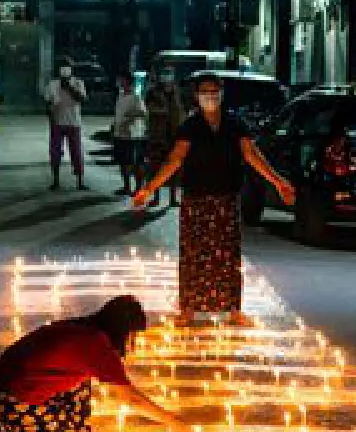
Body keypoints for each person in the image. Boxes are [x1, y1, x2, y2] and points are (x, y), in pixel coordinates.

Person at [133, 72, 295, 323]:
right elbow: (174, 161)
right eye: (205, 92)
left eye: (214, 91)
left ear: (222, 94)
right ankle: (188, 308)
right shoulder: (190, 127)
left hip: (226, 198)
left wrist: (278, 181)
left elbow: (253, 155)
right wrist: (150, 188)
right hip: (196, 200)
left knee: (228, 255)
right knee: (194, 255)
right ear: (197, 97)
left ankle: (233, 309)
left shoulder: (235, 124)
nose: (210, 97)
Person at [0, 296, 182, 432]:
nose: (133, 341)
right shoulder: (97, 346)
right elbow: (131, 398)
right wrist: (173, 421)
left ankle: (37, 424)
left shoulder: (87, 328)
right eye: (133, 335)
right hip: (14, 396)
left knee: (81, 394)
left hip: (7, 381)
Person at [42, 57, 88, 189]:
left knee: (76, 152)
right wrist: (51, 115)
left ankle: (80, 181)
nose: (65, 69)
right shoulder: (52, 85)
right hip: (57, 123)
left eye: (67, 67)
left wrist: (69, 88)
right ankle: (56, 181)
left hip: (74, 123)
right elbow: (47, 103)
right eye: (62, 67)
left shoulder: (78, 83)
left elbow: (82, 99)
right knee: (55, 152)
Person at [143, 73, 183, 209]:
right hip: (157, 137)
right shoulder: (153, 94)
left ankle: (172, 198)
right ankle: (156, 197)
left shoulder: (176, 96)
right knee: (155, 168)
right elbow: (154, 110)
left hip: (173, 137)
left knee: (173, 169)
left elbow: (179, 114)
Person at [110, 70, 148, 197]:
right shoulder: (120, 95)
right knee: (123, 162)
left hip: (133, 134)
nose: (119, 82)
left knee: (136, 162)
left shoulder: (135, 96)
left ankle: (138, 188)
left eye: (121, 79)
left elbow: (143, 113)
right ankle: (126, 187)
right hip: (120, 133)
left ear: (127, 81)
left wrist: (129, 117)